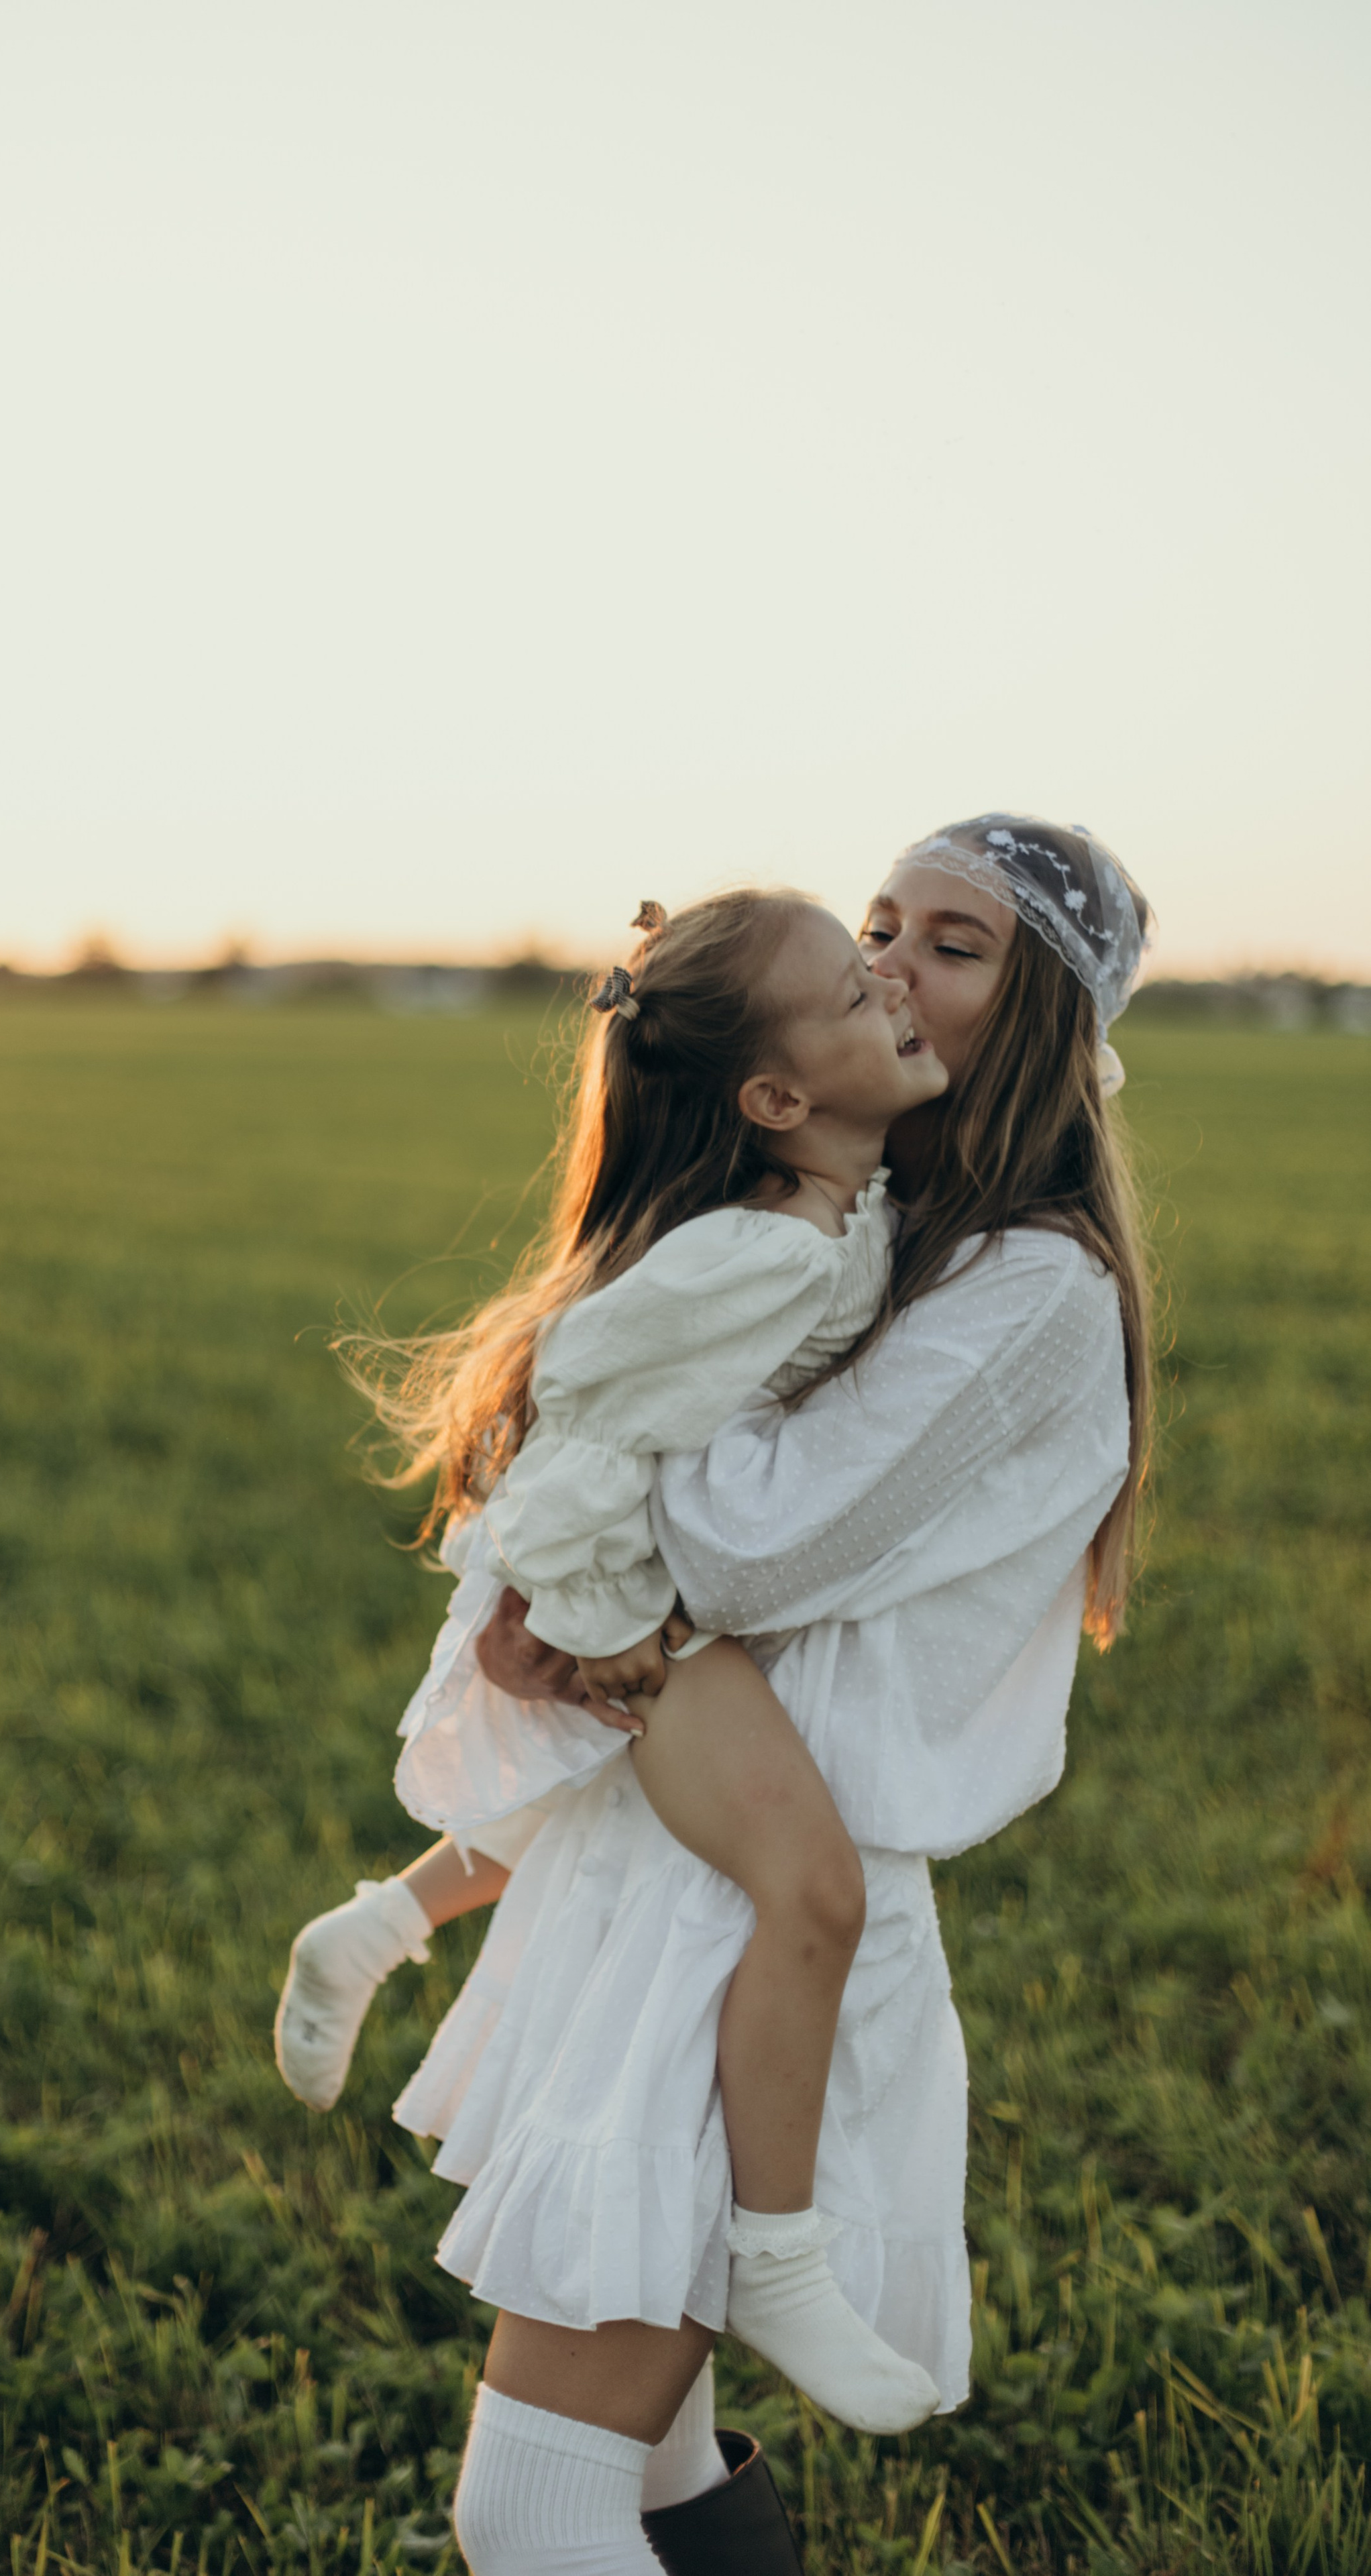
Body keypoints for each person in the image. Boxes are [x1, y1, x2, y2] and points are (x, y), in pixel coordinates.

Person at [327, 813, 1152, 2571]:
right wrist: (576, 1561)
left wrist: (592, 1569)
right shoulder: (861, 1221)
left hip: (744, 1923)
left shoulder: (1028, 1290)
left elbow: (751, 1547)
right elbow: (629, 1443)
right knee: (649, 2469)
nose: (887, 967)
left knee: (532, 2503)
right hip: (660, 1877)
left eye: (956, 944)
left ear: (1049, 1025)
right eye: (878, 924)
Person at [279, 884, 951, 2432]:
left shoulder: (829, 1200)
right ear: (776, 1100)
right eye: (857, 999)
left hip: (639, 1578)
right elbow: (575, 1424)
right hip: (616, 1586)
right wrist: (618, 1643)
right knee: (811, 1886)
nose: (893, 1000)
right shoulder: (765, 1254)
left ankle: (374, 1927)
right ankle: (779, 2261)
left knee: (591, 1816)